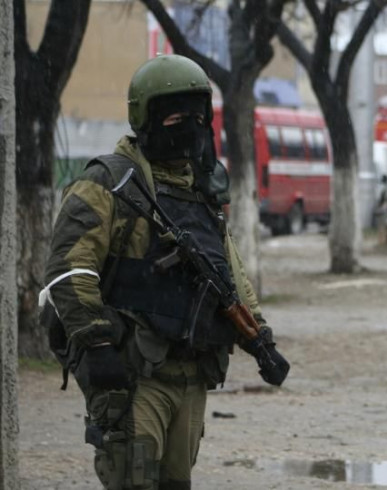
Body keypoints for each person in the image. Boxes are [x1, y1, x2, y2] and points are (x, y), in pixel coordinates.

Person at [40, 54, 289, 489]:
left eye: (197, 115)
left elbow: (230, 277)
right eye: (176, 114)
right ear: (147, 116)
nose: (189, 125)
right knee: (133, 482)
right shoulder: (109, 183)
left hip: (191, 376)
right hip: (135, 376)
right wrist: (97, 344)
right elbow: (69, 268)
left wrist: (260, 339)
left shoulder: (202, 193)